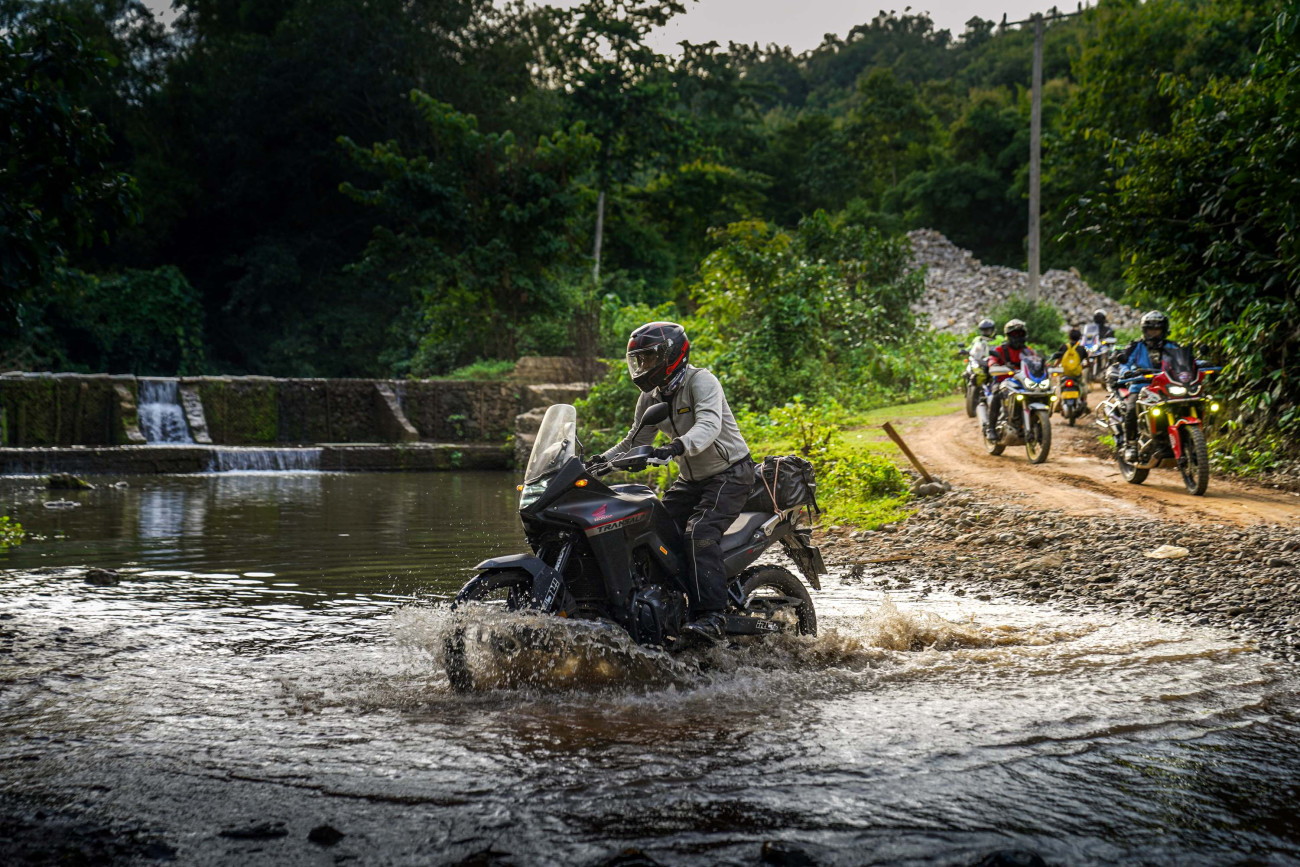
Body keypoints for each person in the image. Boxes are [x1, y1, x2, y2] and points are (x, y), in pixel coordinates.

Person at [597, 321, 755, 642]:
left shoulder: (701, 381)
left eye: (649, 359)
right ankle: (667, 603)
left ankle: (712, 615)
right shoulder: (651, 397)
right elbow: (633, 441)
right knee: (651, 527)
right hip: (691, 479)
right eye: (638, 360)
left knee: (699, 533)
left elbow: (710, 425)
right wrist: (596, 464)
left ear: (672, 354)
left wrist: (675, 446)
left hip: (730, 473)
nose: (643, 367)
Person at [1111, 310, 1180, 463]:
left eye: (1157, 330)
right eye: (1151, 330)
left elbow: (1185, 361)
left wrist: (1200, 364)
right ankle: (1131, 444)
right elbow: (1124, 363)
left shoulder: (1173, 346)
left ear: (1164, 330)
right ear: (1144, 330)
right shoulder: (1136, 346)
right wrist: (1127, 372)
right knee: (1131, 411)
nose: (1154, 333)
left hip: (1167, 386)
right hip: (1141, 385)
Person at [984, 319, 1032, 441]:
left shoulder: (1027, 351)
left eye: (1020, 334)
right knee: (996, 395)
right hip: (1002, 382)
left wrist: (1046, 367)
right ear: (1008, 336)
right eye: (1014, 334)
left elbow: (1035, 361)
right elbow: (992, 360)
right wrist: (994, 365)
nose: (1017, 337)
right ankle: (991, 429)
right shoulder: (1001, 349)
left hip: (1021, 383)